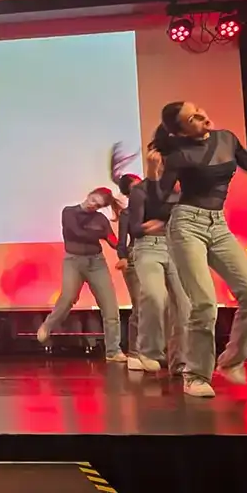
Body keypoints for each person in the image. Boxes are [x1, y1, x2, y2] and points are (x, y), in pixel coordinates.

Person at [146, 102, 247, 398]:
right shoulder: (178, 155)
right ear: (181, 131)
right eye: (193, 117)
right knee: (204, 303)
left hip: (218, 225)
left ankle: (231, 361)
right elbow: (157, 201)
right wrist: (152, 172)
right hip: (186, 226)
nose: (203, 116)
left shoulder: (226, 138)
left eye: (199, 109)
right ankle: (196, 375)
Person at [120, 146, 190, 375]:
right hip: (148, 248)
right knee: (155, 296)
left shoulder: (181, 189)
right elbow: (136, 228)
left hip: (176, 248)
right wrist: (155, 224)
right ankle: (149, 350)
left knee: (184, 306)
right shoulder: (140, 191)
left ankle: (179, 361)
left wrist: (163, 222)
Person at [37, 189, 128, 363]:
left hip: (96, 262)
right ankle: (48, 325)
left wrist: (123, 250)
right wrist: (99, 233)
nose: (92, 205)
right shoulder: (69, 212)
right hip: (73, 261)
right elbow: (75, 233)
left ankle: (113, 350)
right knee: (68, 297)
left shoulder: (100, 219)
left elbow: (111, 239)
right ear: (89, 195)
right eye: (93, 200)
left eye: (98, 205)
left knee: (110, 306)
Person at [110, 143, 142, 359]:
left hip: (157, 256)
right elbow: (122, 242)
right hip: (134, 259)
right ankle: (135, 352)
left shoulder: (152, 208)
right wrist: (123, 257)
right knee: (140, 306)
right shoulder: (128, 214)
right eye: (138, 186)